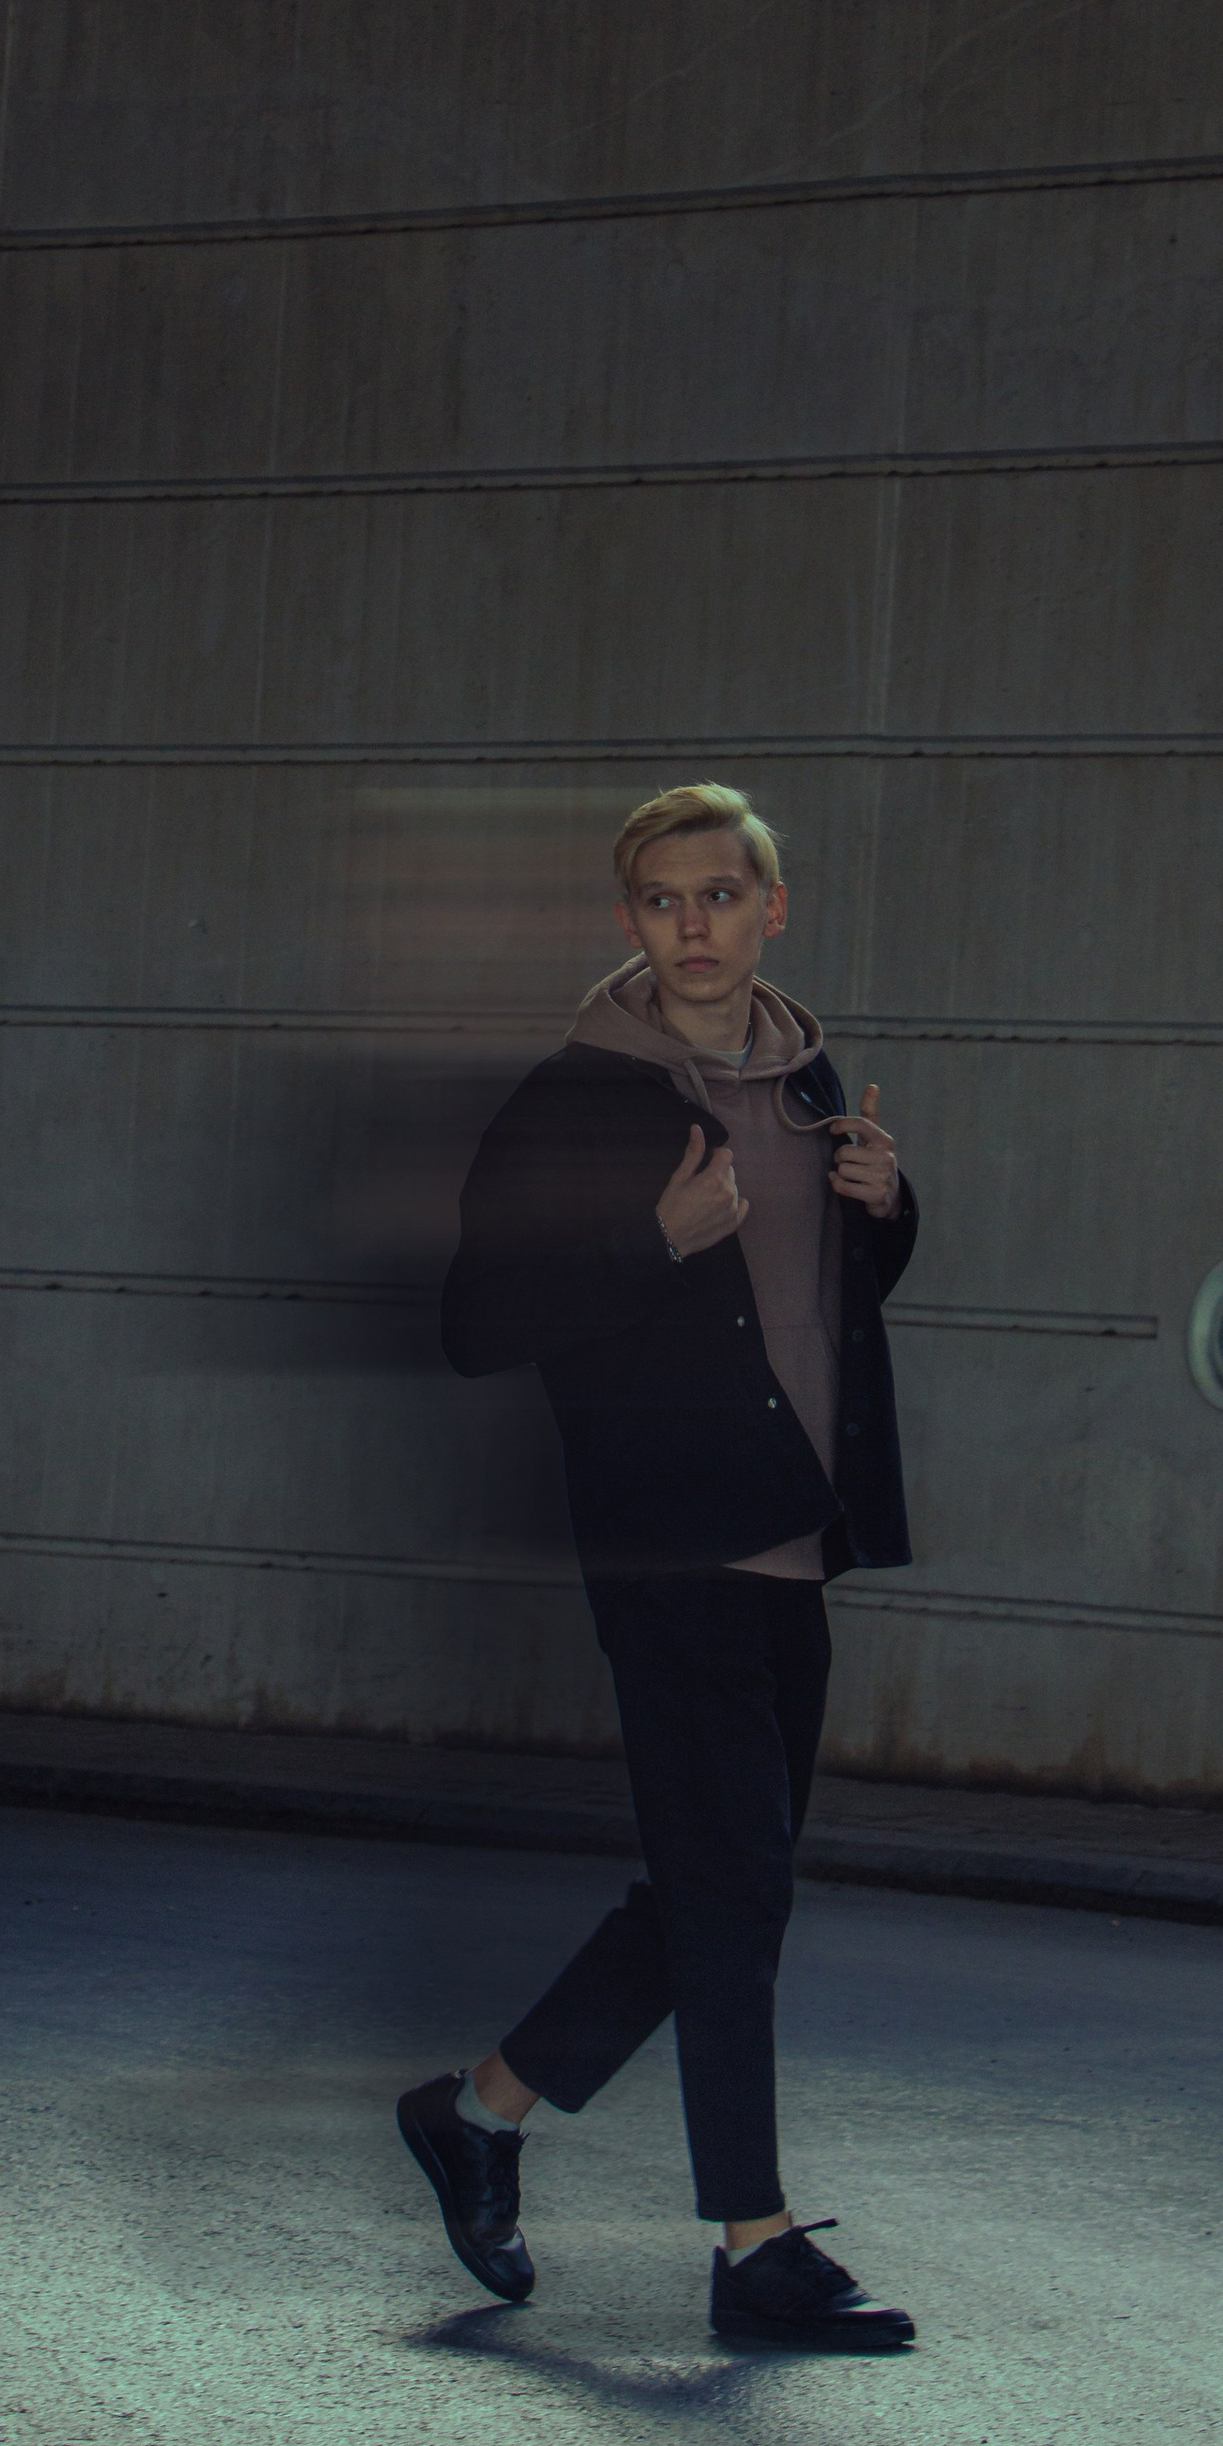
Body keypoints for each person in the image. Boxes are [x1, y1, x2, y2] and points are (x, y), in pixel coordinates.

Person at [397, 780, 919, 2351]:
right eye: (664, 902)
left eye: (722, 895)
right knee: (732, 1887)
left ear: (775, 909)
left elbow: (823, 1295)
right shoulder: (581, 1097)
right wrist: (651, 1239)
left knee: (720, 1896)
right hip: (668, 1541)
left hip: (789, 1539)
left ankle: (478, 2111)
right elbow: (474, 1322)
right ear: (630, 924)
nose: (695, 927)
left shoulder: (810, 1076)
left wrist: (889, 1213)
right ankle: (751, 2244)